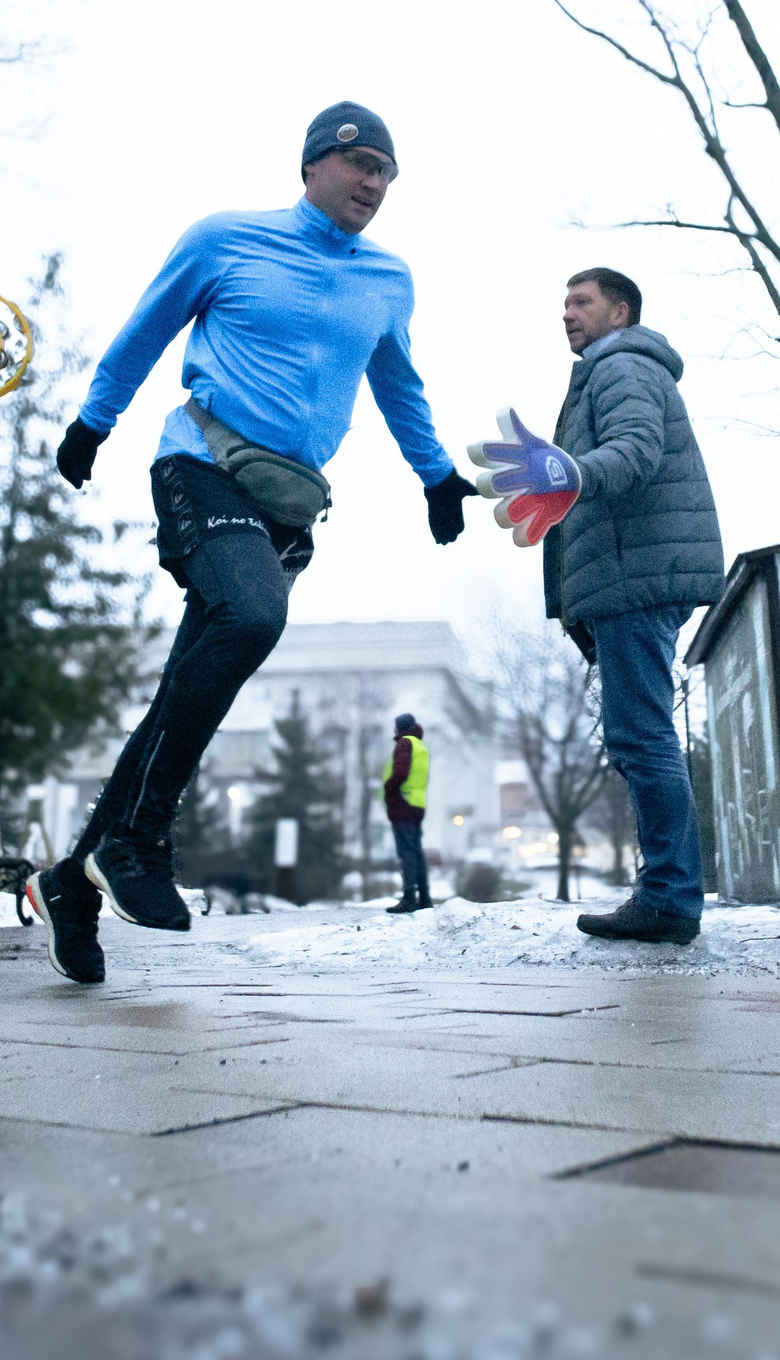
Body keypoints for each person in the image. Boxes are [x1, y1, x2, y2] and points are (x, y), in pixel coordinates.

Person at [25, 101, 479, 985]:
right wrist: (93, 420)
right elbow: (147, 328)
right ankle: (140, 837)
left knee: (185, 687)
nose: (375, 183)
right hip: (201, 463)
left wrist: (435, 474)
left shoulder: (388, 279)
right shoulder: (227, 238)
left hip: (285, 503)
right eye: (362, 164)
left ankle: (71, 882)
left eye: (388, 172)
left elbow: (399, 384)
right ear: (314, 164)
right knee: (252, 616)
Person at [467, 268, 721, 945]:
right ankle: (666, 889)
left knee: (642, 736)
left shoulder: (622, 366)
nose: (568, 314)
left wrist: (573, 471)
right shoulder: (608, 372)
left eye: (582, 302)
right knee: (639, 736)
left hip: (636, 575)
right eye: (564, 303)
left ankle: (669, 895)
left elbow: (634, 454)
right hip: (632, 573)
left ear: (621, 311)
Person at [381, 713, 431, 913]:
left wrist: (389, 789)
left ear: (399, 728)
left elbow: (400, 773)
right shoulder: (421, 746)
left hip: (403, 801)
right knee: (416, 852)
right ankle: (424, 898)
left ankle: (409, 897)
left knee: (406, 852)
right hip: (417, 803)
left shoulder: (405, 744)